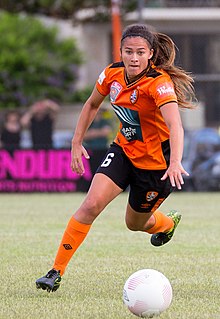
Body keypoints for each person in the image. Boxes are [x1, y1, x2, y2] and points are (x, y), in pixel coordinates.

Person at [36, 24, 196, 292]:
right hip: (123, 152)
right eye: (128, 51)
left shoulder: (158, 83)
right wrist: (76, 141)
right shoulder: (112, 74)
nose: (134, 58)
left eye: (140, 52)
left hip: (156, 166)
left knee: (135, 224)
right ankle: (55, 272)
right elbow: (91, 104)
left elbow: (175, 125)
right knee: (90, 205)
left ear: (151, 54)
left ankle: (166, 224)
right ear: (120, 52)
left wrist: (176, 161)